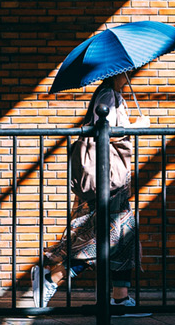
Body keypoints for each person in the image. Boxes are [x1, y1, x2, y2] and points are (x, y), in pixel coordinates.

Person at [30, 70, 150, 311]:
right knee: (101, 241)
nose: (132, 75)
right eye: (130, 71)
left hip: (114, 182)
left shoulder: (115, 95)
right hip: (107, 181)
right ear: (120, 72)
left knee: (121, 239)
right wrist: (137, 127)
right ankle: (52, 278)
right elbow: (102, 129)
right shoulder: (107, 95)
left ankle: (119, 299)